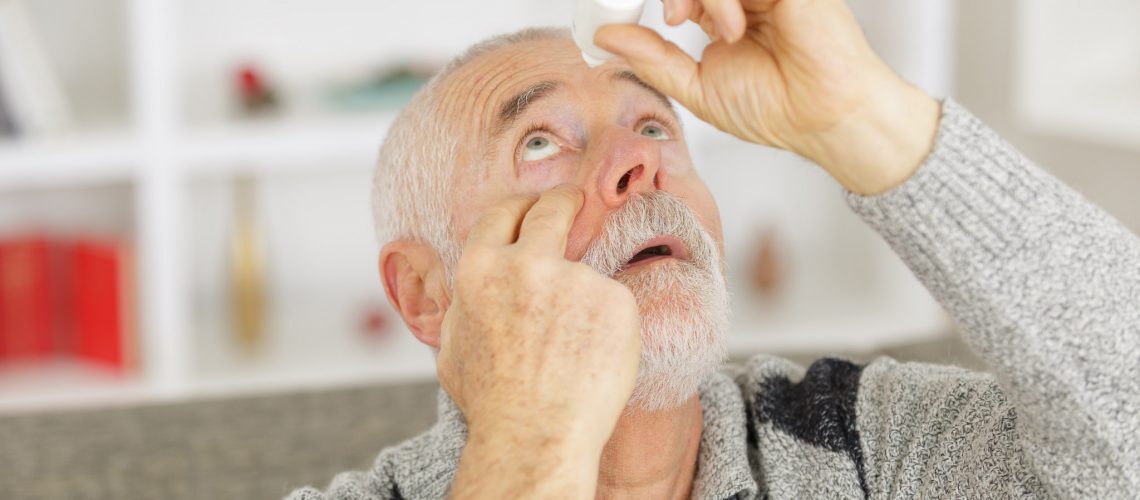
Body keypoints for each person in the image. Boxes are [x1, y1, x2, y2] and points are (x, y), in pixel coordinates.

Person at [289, 0, 1140, 498]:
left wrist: (865, 121)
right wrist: (532, 448)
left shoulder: (862, 447)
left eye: (654, 123)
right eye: (541, 144)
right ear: (425, 294)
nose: (640, 162)